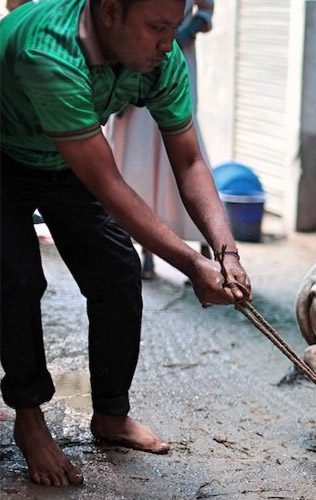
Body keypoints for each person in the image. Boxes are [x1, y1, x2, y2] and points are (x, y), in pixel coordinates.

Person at [0, 0, 252, 487]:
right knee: (14, 274)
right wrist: (188, 265)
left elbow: (191, 162)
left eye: (173, 28)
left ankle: (111, 414)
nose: (168, 41)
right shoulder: (48, 52)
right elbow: (110, 187)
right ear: (110, 13)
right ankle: (29, 417)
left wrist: (224, 252)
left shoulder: (161, 55)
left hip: (60, 157)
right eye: (157, 28)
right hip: (4, 150)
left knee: (116, 268)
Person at [105, 0, 215, 279]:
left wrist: (176, 34)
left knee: (183, 154)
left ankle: (208, 249)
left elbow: (205, 12)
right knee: (135, 157)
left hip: (173, 63)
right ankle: (146, 253)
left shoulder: (171, 49)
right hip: (131, 64)